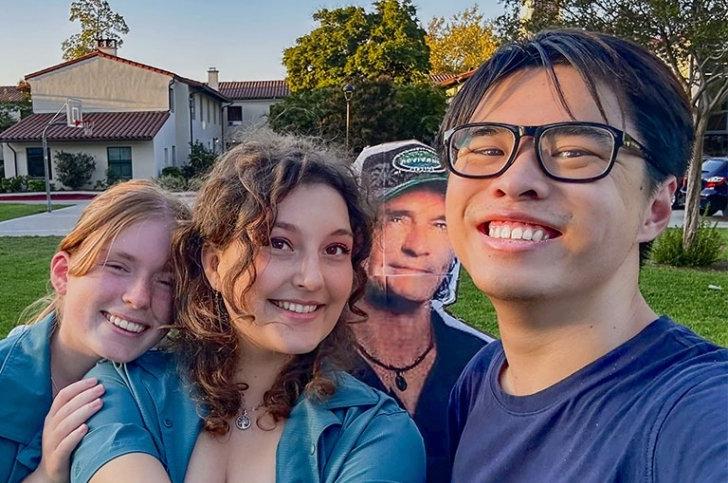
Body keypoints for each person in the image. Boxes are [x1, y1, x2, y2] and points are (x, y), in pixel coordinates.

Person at [441, 29, 728, 482]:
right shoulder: (482, 378)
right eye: (486, 148)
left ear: (655, 208)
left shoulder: (693, 415)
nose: (514, 180)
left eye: (575, 151)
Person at [71, 130, 426, 482]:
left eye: (335, 249)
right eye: (278, 242)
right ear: (213, 264)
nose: (312, 279)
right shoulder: (124, 390)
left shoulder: (374, 435)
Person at [0, 180, 190, 483]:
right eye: (117, 266)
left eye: (166, 281)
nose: (139, 297)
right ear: (64, 274)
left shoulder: (186, 394)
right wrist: (46, 475)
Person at [351, 140, 492, 482]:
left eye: (441, 224)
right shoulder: (307, 363)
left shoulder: (487, 366)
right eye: (396, 218)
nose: (417, 246)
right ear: (354, 232)